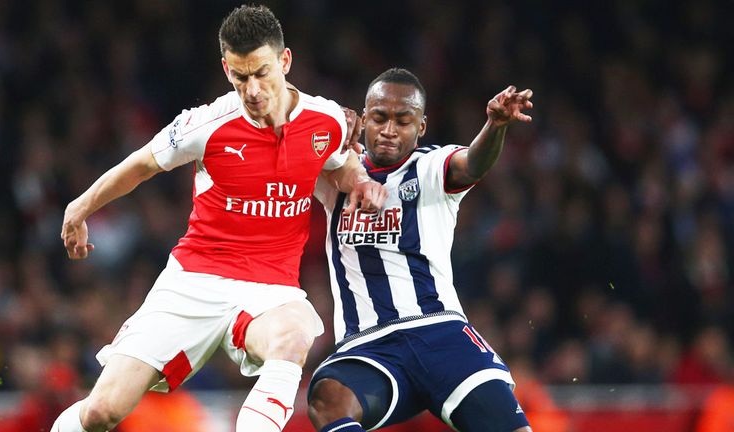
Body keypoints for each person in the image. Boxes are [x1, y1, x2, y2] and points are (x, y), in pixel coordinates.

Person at [52, 5, 385, 432]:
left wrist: (360, 180)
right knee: (102, 412)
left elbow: (339, 163)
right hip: (194, 278)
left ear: (285, 61)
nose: (252, 89)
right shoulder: (207, 123)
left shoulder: (328, 121)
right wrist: (80, 206)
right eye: (240, 76)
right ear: (226, 68)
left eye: (262, 73)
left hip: (271, 287)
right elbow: (141, 165)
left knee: (295, 335)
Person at [308, 68, 534, 432]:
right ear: (365, 119)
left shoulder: (430, 167)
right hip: (369, 346)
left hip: (440, 334)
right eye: (379, 118)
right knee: (328, 398)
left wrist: (495, 126)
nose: (389, 129)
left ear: (422, 127)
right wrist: (330, 124)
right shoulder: (337, 173)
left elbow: (472, 163)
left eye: (403, 120)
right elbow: (285, 131)